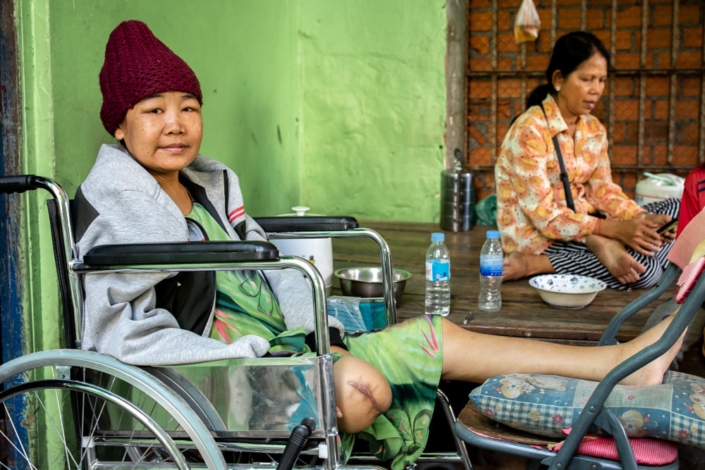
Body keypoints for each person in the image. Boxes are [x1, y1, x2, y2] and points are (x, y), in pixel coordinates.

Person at [77, 21, 685, 470]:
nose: (176, 124)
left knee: (437, 335)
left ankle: (619, 366)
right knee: (363, 392)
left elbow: (274, 267)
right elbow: (113, 330)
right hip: (227, 372)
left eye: (188, 107)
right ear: (119, 124)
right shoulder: (118, 206)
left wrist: (317, 328)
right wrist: (250, 349)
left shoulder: (210, 184)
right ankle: (601, 380)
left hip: (292, 341)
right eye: (153, 110)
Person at [496, 31, 680, 289]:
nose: (596, 90)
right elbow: (544, 217)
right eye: (587, 79)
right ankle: (536, 264)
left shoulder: (594, 129)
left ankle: (604, 245)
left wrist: (639, 220)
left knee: (679, 211)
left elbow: (602, 191)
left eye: (602, 80)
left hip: (587, 226)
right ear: (559, 79)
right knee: (646, 273)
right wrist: (613, 231)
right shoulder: (530, 130)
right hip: (540, 238)